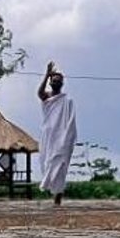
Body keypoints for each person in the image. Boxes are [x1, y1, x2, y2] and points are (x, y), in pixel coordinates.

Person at [38, 62, 76, 205]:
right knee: (48, 163)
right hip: (48, 137)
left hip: (62, 137)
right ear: (50, 82)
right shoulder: (47, 97)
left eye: (58, 81)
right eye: (54, 80)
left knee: (60, 166)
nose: (56, 82)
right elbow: (39, 93)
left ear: (62, 84)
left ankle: (58, 196)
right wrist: (47, 74)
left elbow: (71, 121)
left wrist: (67, 138)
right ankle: (52, 190)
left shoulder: (67, 101)